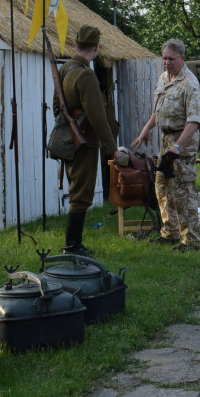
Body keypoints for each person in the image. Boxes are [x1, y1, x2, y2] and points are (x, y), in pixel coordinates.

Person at [132, 39, 200, 251]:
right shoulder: (164, 78)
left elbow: (195, 121)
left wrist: (178, 148)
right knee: (161, 187)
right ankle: (169, 232)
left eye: (171, 59)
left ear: (182, 58)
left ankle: (190, 241)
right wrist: (146, 129)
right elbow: (159, 110)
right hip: (165, 141)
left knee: (182, 191)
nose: (166, 62)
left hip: (183, 143)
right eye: (164, 58)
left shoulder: (189, 84)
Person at [59, 25, 118, 256]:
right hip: (84, 139)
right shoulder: (85, 74)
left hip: (71, 137)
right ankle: (73, 246)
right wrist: (112, 148)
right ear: (96, 48)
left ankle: (74, 244)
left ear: (75, 45)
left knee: (77, 188)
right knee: (81, 193)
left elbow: (58, 106)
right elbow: (98, 117)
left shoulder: (65, 69)